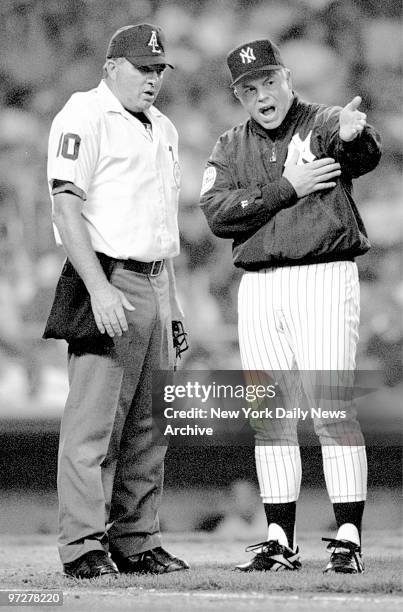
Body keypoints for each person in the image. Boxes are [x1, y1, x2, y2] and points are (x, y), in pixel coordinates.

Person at [200, 39, 381, 574]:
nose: (262, 96)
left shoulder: (323, 121)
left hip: (324, 275)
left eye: (269, 83)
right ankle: (280, 539)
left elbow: (359, 149)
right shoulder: (230, 145)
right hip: (259, 284)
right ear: (239, 95)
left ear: (286, 78)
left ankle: (347, 535)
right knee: (269, 417)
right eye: (249, 89)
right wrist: (287, 187)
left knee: (330, 408)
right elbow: (218, 215)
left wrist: (355, 137)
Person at [44, 23, 189, 579]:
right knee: (93, 426)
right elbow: (64, 207)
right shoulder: (82, 115)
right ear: (111, 67)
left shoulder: (166, 128)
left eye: (158, 69)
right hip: (103, 274)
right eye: (141, 68)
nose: (152, 79)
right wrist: (100, 288)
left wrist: (172, 304)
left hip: (154, 278)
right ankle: (82, 544)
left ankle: (136, 539)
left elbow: (160, 227)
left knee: (150, 425)